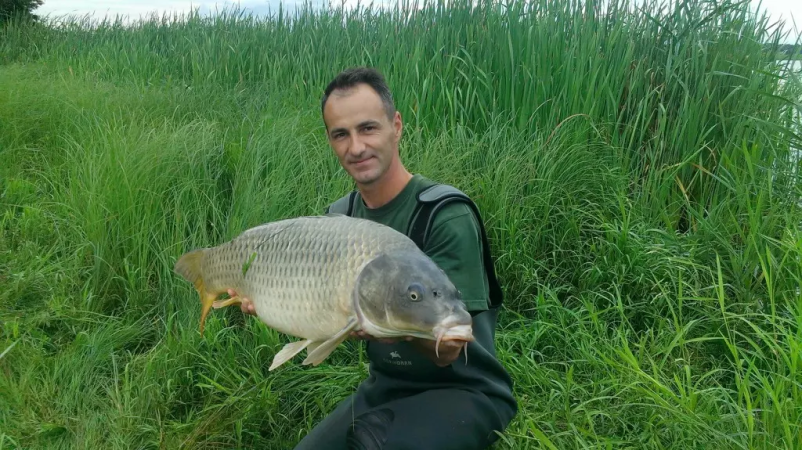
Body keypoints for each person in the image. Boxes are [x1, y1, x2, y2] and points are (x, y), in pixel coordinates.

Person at [231, 67, 517, 449]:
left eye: (368, 128)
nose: (356, 147)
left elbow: (450, 348)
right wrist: (270, 297)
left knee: (375, 445)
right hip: (385, 387)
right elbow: (320, 312)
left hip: (465, 389)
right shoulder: (341, 217)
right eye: (341, 135)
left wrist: (387, 316)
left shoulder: (446, 213)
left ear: (395, 125)